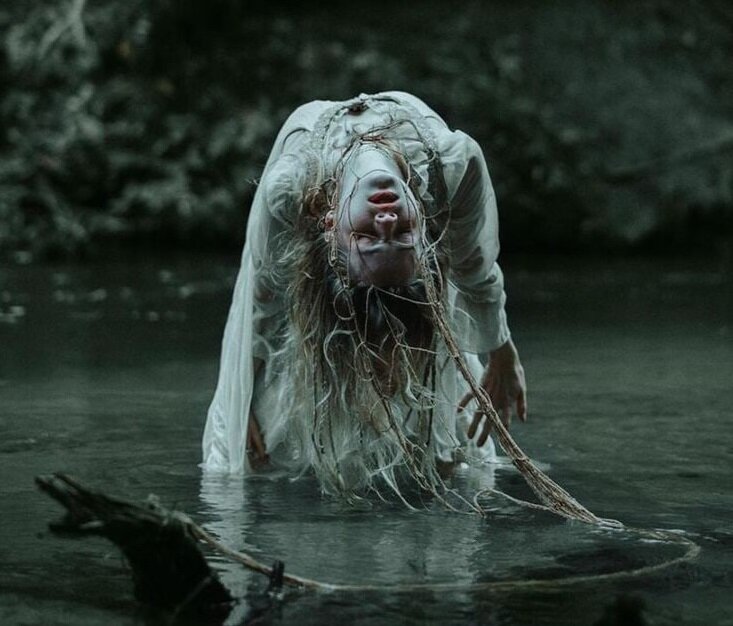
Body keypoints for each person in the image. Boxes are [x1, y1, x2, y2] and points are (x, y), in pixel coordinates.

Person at [202, 91, 527, 501]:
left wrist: (501, 353)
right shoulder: (451, 166)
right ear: (421, 220)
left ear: (332, 224)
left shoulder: (289, 187)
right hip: (325, 172)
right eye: (402, 234)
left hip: (315, 169)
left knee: (420, 337)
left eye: (368, 237)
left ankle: (430, 450)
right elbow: (263, 299)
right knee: (297, 348)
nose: (386, 221)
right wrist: (243, 396)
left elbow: (475, 269)